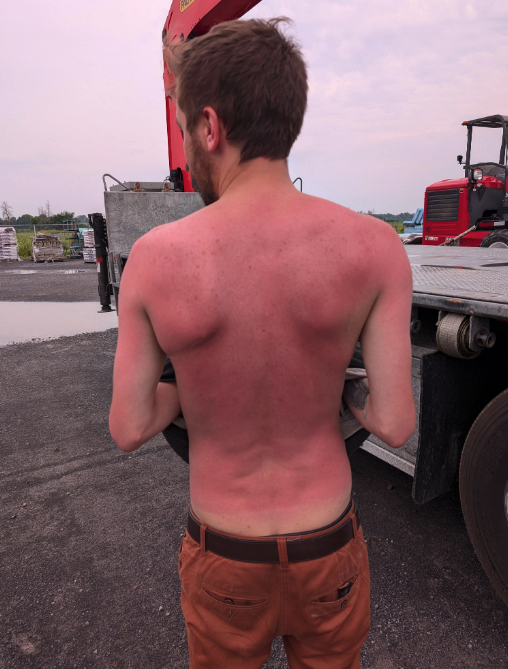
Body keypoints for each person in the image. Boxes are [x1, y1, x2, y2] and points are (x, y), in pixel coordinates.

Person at [109, 17, 415, 669]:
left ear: (211, 126)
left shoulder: (155, 259)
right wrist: (338, 385)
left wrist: (184, 390)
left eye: (190, 126)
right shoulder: (375, 248)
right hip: (328, 548)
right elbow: (393, 422)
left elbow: (130, 426)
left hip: (226, 557)